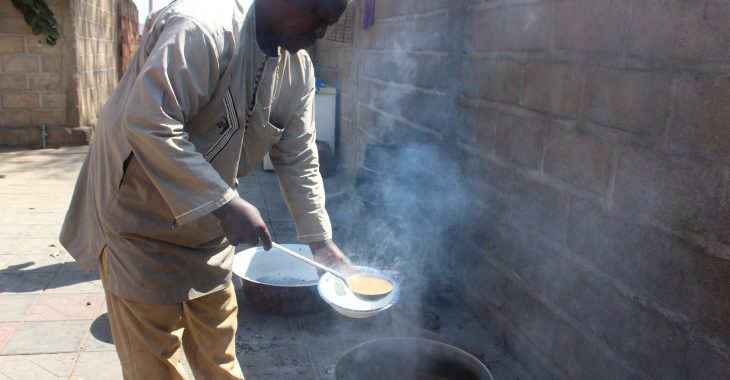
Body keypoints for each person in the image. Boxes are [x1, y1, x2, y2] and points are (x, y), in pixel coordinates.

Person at [59, 0, 351, 378]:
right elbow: (148, 121)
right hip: (138, 221)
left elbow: (299, 158)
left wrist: (320, 241)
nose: (320, 33)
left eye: (329, 25)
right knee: (153, 365)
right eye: (317, 17)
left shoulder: (298, 70)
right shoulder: (201, 29)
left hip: (209, 229)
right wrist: (226, 203)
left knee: (219, 357)